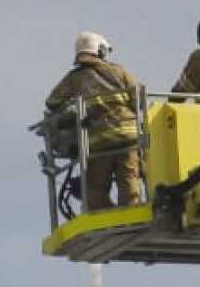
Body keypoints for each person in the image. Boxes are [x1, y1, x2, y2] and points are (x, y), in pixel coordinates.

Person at [43, 31, 143, 212]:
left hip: (99, 140)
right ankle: (130, 214)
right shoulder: (119, 71)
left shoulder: (75, 78)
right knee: (128, 178)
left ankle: (104, 215)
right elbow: (139, 100)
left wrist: (73, 106)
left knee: (95, 186)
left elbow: (51, 102)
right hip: (128, 135)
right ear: (101, 51)